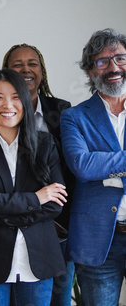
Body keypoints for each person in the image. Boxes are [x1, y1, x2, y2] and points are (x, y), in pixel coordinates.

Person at [0, 68, 67, 305]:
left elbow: (55, 205)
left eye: (16, 96)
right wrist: (37, 197)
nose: (7, 104)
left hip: (39, 258)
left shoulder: (45, 144)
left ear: (26, 101)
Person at [2, 43, 74, 306]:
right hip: (7, 227)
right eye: (17, 65)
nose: (25, 69)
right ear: (6, 72)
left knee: (58, 298)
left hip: (57, 227)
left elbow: (70, 171)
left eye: (32, 63)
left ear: (42, 71)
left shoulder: (62, 110)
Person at [60, 28, 126, 305]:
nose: (113, 67)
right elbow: (83, 166)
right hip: (99, 241)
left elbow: (95, 165)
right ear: (90, 72)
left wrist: (108, 169)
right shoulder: (73, 117)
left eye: (120, 58)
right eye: (103, 61)